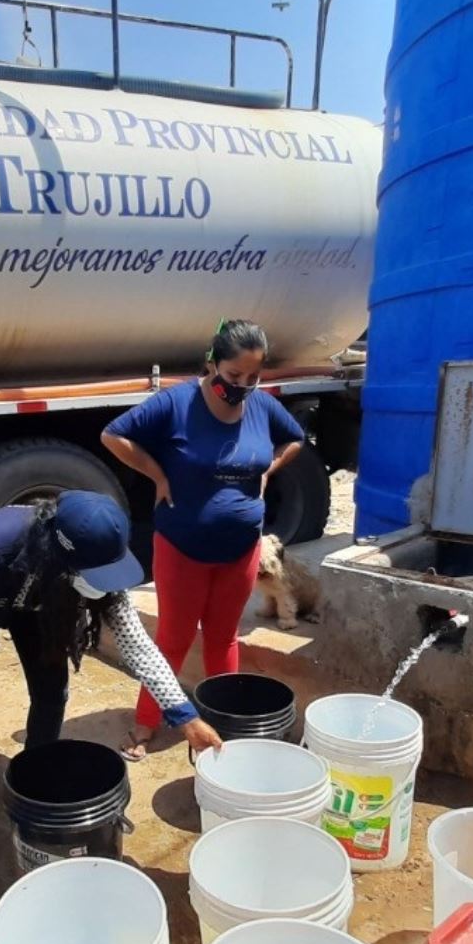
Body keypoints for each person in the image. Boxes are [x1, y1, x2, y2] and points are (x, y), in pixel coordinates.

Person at [101, 319, 308, 760]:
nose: (244, 386)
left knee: (224, 638)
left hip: (241, 550)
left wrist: (269, 470)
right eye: (235, 376)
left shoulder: (261, 407)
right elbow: (113, 434)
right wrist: (157, 474)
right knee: (174, 639)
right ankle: (145, 723)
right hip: (182, 548)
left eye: (254, 379)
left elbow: (295, 439)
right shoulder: (177, 403)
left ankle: (224, 719)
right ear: (213, 364)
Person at [0, 489, 224, 781]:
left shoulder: (101, 558)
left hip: (42, 609)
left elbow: (138, 647)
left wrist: (185, 717)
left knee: (52, 693)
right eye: (93, 575)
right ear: (60, 553)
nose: (102, 584)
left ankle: (35, 773)